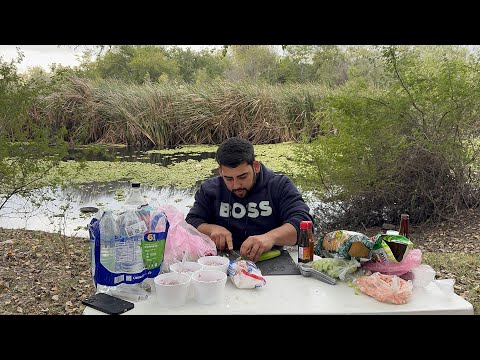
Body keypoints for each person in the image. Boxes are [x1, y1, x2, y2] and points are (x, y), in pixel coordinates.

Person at [185, 137, 314, 262]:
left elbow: (304, 224)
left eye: (242, 176)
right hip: (221, 262)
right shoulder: (209, 189)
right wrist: (211, 229)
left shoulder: (279, 186)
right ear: (220, 171)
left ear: (256, 166)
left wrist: (270, 238)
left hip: (271, 260)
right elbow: (190, 222)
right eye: (228, 178)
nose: (236, 185)